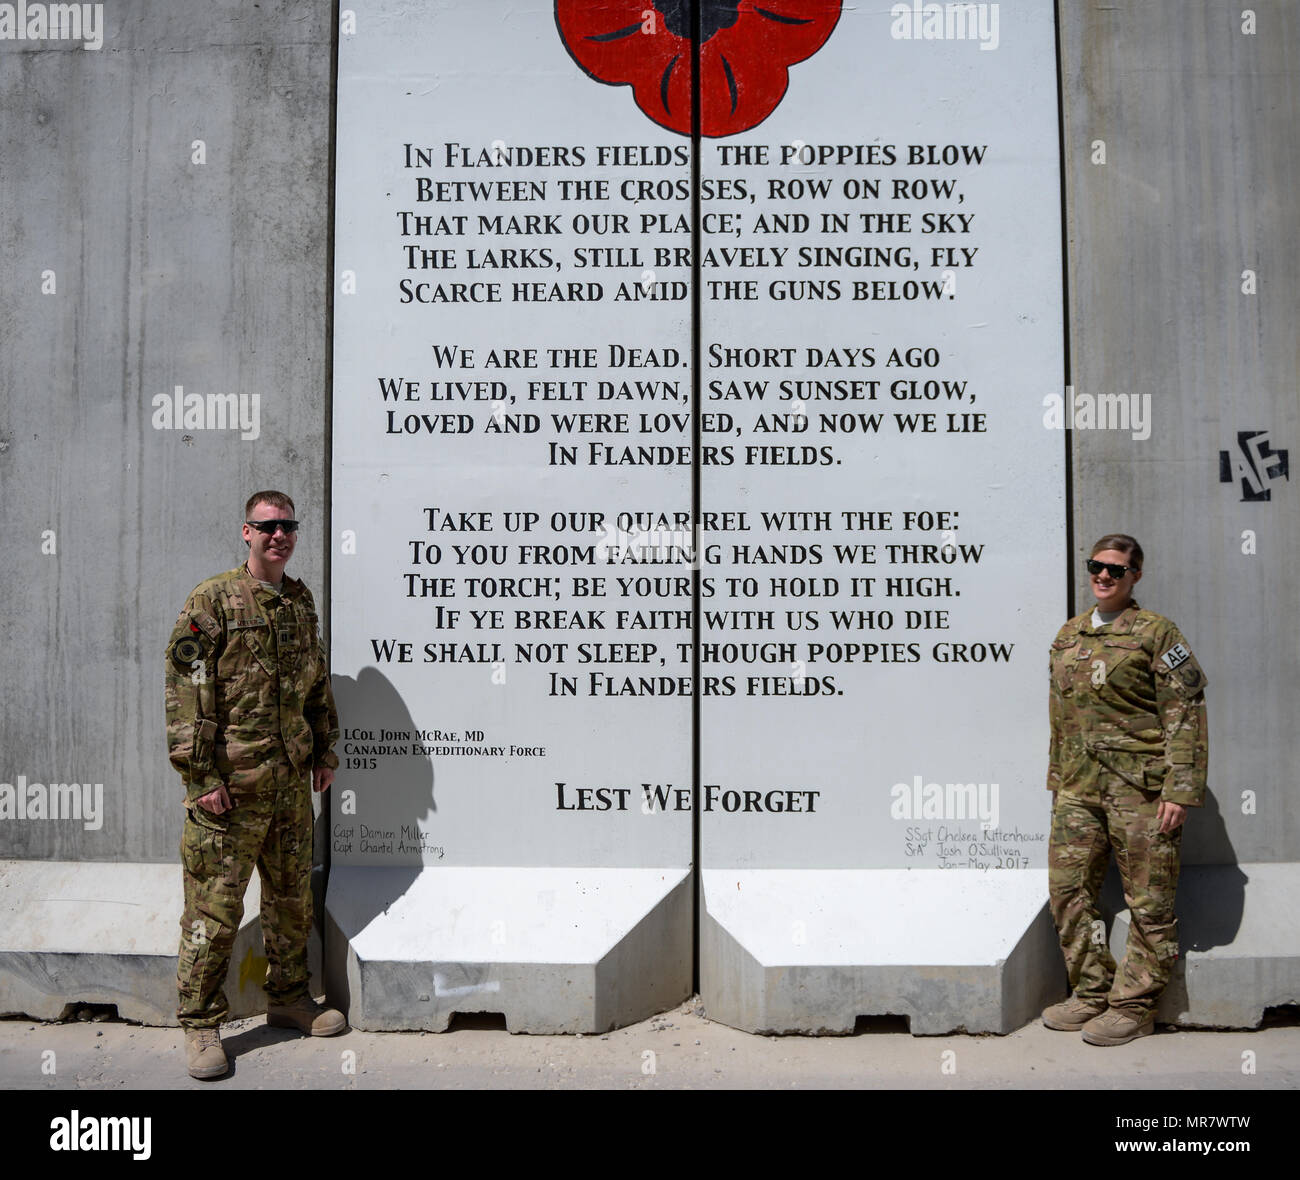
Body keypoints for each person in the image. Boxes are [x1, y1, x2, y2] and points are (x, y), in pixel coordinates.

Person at [165, 491, 345, 1079]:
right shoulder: (212, 599)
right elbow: (185, 689)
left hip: (290, 782)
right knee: (213, 911)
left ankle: (290, 998)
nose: (279, 536)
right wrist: (200, 777)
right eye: (268, 526)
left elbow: (315, 681)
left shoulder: (299, 599)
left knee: (291, 900)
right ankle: (199, 1024)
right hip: (230, 787)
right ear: (247, 532)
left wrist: (324, 747)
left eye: (288, 526)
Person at [1041, 534, 1208, 1045]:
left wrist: (1180, 790)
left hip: (1141, 790)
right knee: (1068, 892)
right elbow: (1060, 716)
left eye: (1117, 569)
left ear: (1135, 575)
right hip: (1077, 789)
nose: (1104, 576)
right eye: (1097, 566)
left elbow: (1186, 711)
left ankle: (1134, 1006)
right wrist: (1057, 779)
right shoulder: (1069, 634)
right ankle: (1091, 991)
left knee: (1149, 900)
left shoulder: (1156, 632)